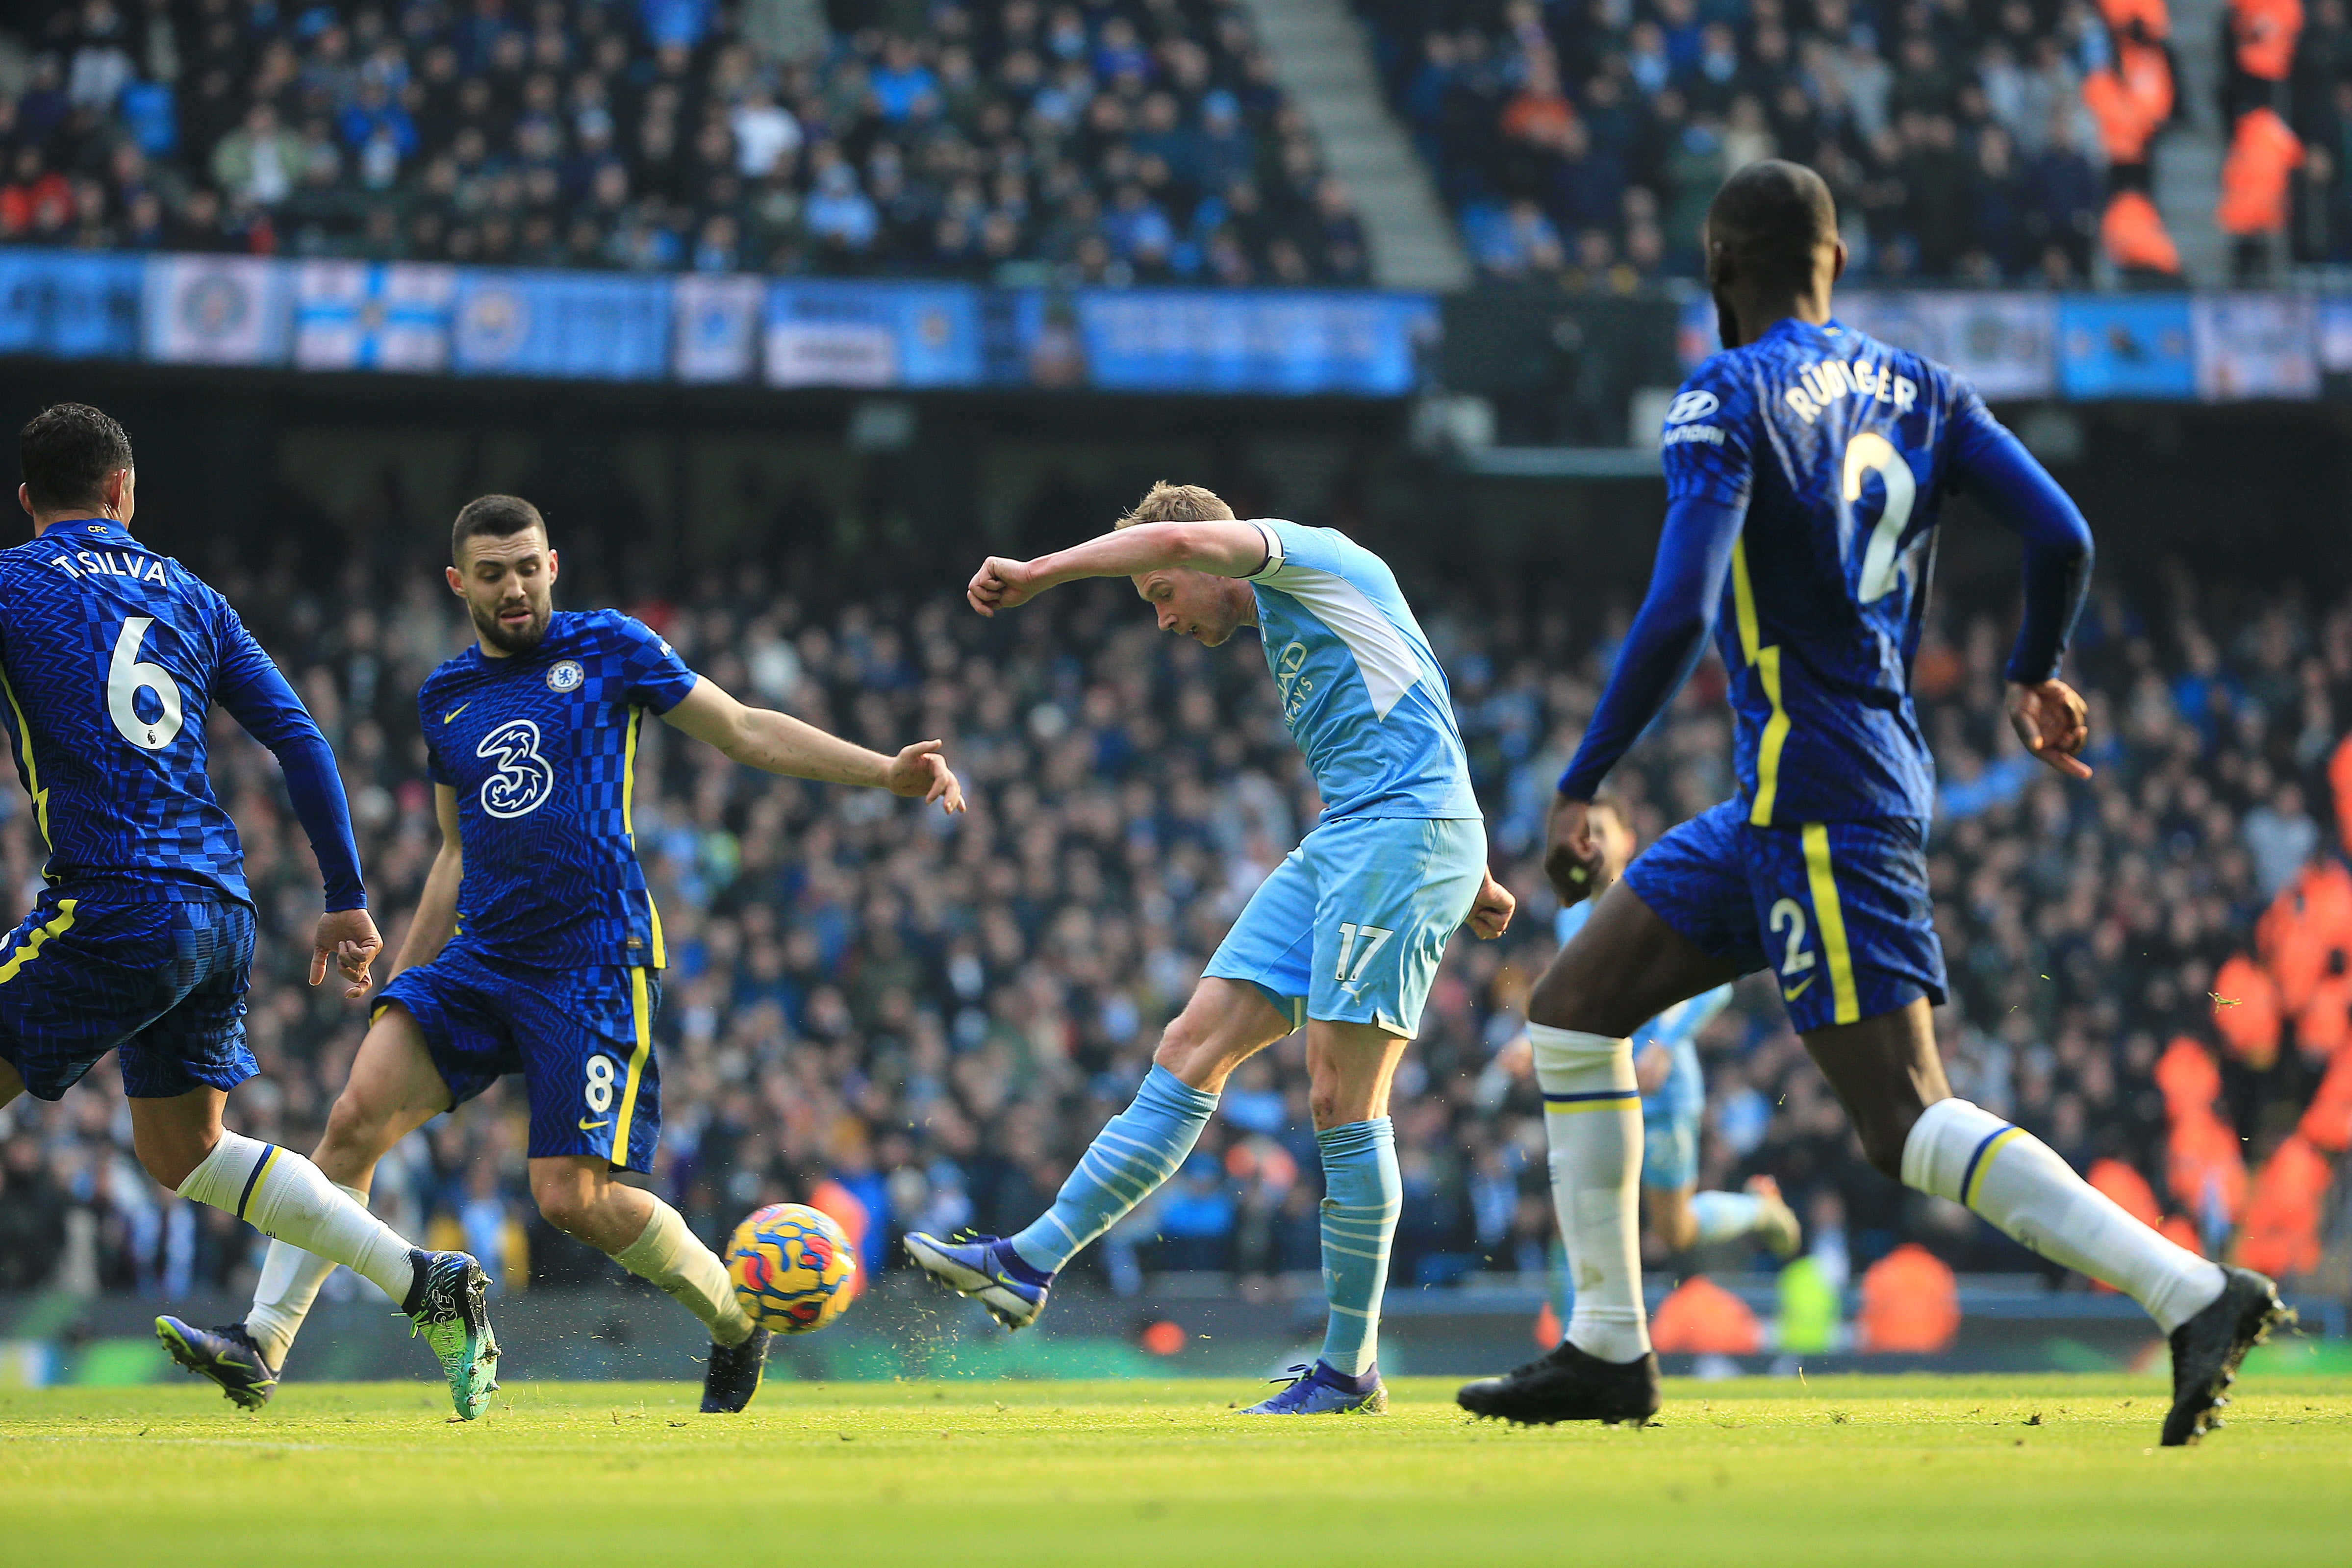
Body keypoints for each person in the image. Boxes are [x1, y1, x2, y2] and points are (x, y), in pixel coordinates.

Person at [1454, 162, 2287, 1446]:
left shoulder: (1722, 394)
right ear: (1832, 263)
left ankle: (2192, 1291)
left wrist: (1582, 775)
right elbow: (2059, 532)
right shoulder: (1926, 390)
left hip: (1822, 796)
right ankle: (1607, 1345)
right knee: (1572, 1013)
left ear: (1720, 269)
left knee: (1902, 1113)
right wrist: (2030, 672)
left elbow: (1681, 606)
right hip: (1792, 796)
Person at [159, 494, 965, 1415]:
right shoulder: (446, 696)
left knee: (572, 1199)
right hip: (479, 959)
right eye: (493, 572)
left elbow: (740, 727)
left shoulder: (611, 648)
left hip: (591, 963)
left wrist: (882, 770)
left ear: (554, 564)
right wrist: (407, 972)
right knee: (351, 1120)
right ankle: (264, 1341)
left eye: (528, 566)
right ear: (459, 583)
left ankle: (738, 1326)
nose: (514, 587)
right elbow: (455, 851)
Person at [905, 482, 1516, 1416]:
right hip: (1357, 835)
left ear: (1203, 555)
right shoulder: (1290, 616)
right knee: (1191, 1045)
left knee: (1340, 1097)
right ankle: (1029, 1261)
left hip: (1396, 833)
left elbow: (1190, 535)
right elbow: (1409, 700)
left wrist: (1039, 572)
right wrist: (1471, 873)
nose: (1161, 621)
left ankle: (1348, 1367)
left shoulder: (1308, 554)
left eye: (1159, 593)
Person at [0, 404, 497, 1420]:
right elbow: (304, 741)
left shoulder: (12, 586)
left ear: (25, 502)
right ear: (121, 493)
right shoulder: (191, 595)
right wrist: (344, 898)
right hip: (220, 910)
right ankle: (424, 1283)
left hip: (115, 899)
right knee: (184, 1154)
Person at [1534, 794, 1799, 1264]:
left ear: (1627, 841)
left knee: (1673, 1229)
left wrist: (1664, 1042)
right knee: (1571, 1214)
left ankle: (1759, 1210)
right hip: (1602, 1083)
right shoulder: (1570, 917)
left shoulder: (1657, 906)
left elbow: (1714, 987)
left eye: (1598, 831)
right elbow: (1574, 1001)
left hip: (1662, 1091)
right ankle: (1578, 1333)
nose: (1586, 845)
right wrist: (1525, 1040)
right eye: (1578, 836)